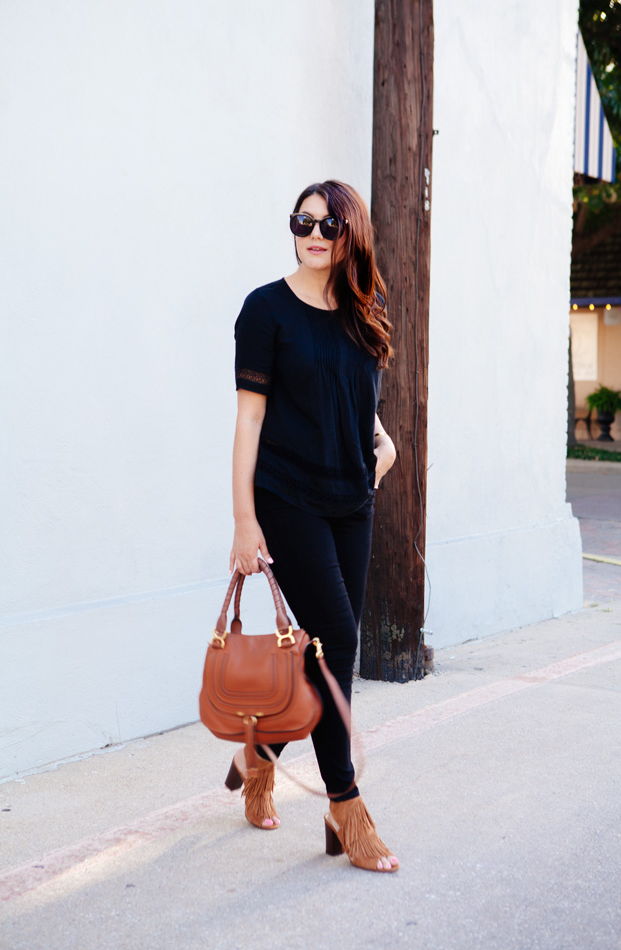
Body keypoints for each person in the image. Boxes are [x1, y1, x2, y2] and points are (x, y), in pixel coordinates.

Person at [226, 179, 399, 873]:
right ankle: (344, 804)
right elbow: (250, 418)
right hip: (286, 497)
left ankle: (261, 753)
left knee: (326, 650)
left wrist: (384, 447)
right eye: (304, 221)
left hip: (351, 500)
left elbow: (356, 401)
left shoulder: (364, 312)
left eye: (329, 225)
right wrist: (244, 521)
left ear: (350, 234)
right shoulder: (265, 310)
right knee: (338, 641)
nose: (315, 234)